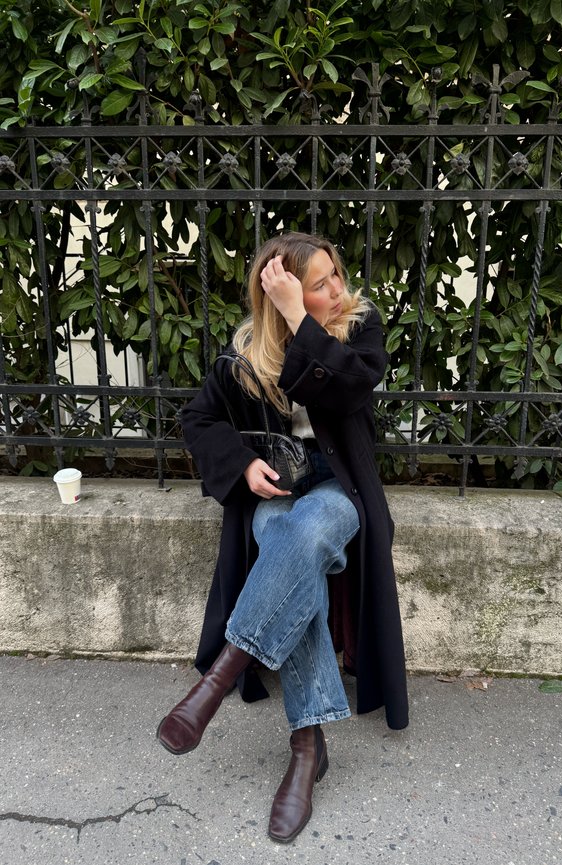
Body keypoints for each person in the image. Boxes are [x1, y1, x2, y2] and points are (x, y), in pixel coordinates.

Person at [157, 231, 409, 843]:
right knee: (290, 547)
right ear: (276, 295)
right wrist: (242, 464)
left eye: (334, 275)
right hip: (278, 492)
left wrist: (303, 316)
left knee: (303, 536)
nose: (337, 289)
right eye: (318, 283)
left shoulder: (359, 329)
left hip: (341, 488)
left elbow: (348, 389)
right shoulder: (247, 353)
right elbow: (197, 417)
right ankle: (307, 744)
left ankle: (219, 677)